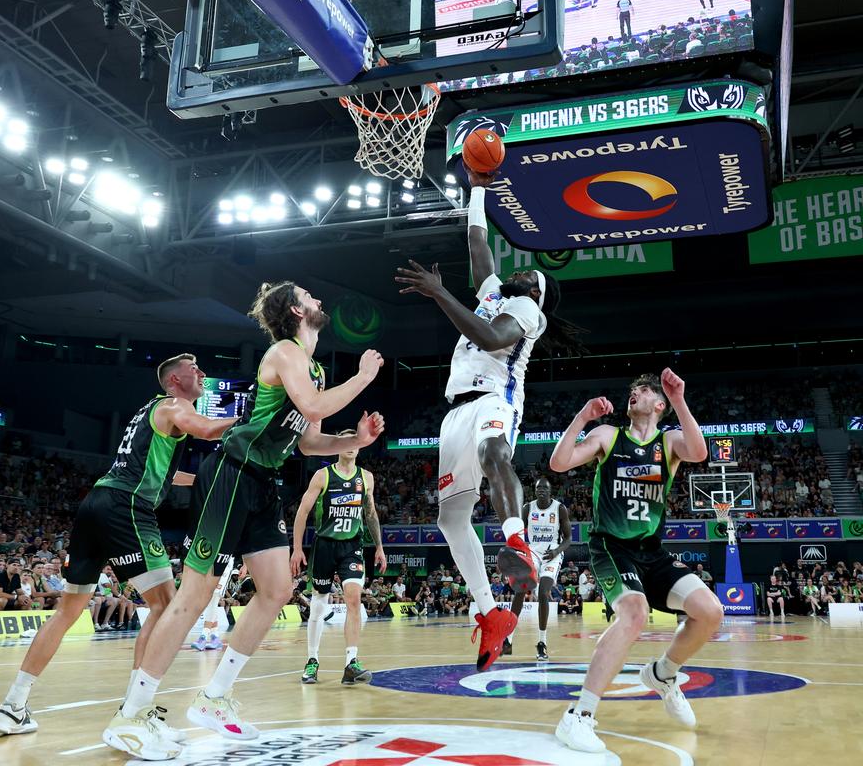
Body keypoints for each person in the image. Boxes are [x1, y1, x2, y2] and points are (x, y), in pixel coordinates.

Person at [105, 281, 385, 760]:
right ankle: (130, 715)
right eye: (309, 295)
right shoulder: (284, 351)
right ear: (297, 311)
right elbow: (315, 407)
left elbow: (308, 441)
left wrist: (353, 440)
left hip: (264, 483)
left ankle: (214, 697)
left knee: (277, 590)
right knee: (193, 597)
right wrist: (362, 378)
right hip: (230, 474)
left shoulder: (312, 366)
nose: (319, 299)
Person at [0, 352, 236, 739]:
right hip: (127, 507)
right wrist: (253, 423)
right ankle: (136, 710)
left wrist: (203, 481)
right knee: (166, 607)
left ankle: (12, 706)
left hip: (96, 504)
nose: (202, 373)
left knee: (67, 612)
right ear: (174, 381)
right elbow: (205, 429)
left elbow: (167, 474)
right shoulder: (174, 405)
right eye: (193, 370)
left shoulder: (150, 415)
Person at [394, 169, 585, 671]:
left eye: (530, 276)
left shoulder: (527, 311)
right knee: (449, 518)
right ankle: (490, 613)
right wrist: (478, 185)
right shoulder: (497, 291)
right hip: (455, 410)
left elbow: (491, 337)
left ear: (538, 294)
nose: (520, 272)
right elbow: (478, 241)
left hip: (494, 400)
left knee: (494, 452)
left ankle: (518, 542)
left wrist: (439, 293)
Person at [549, 371, 722, 753]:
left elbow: (699, 452)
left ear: (658, 404)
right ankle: (578, 716)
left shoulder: (670, 441)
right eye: (632, 390)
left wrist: (679, 398)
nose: (634, 393)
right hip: (611, 547)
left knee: (710, 611)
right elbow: (559, 463)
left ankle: (663, 673)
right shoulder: (608, 436)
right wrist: (582, 418)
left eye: (642, 391)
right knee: (634, 613)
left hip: (651, 551)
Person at [291, 431, 386, 686]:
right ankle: (312, 660)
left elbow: (371, 513)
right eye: (346, 441)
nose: (351, 446)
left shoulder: (366, 478)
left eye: (355, 442)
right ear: (338, 447)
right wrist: (297, 548)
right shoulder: (323, 475)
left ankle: (351, 663)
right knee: (319, 604)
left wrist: (379, 546)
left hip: (352, 546)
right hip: (324, 545)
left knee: (354, 599)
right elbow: (302, 511)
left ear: (359, 447)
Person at [524, 477, 571, 660]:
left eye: (545, 488)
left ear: (550, 491)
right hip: (533, 552)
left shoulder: (559, 508)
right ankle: (507, 639)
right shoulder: (528, 508)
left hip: (552, 553)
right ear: (534, 491)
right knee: (521, 589)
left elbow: (568, 539)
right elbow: (519, 533)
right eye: (538, 488)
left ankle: (542, 643)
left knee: (543, 593)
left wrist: (556, 551)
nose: (541, 490)